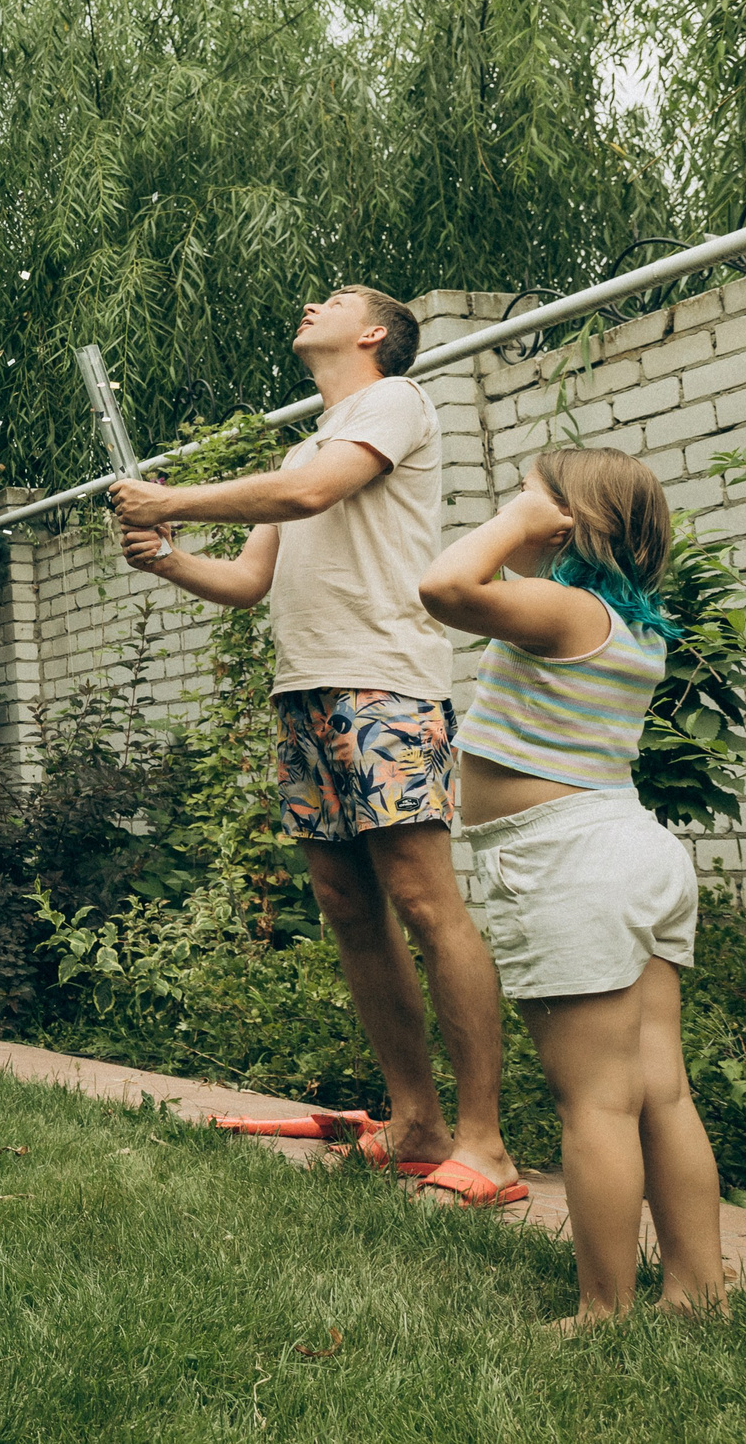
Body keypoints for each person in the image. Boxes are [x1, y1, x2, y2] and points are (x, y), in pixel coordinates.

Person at [112, 285, 521, 1205]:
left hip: (386, 683)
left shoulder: (394, 402)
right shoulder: (307, 442)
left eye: (333, 299)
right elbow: (251, 580)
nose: (305, 302)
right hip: (306, 688)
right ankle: (415, 1121)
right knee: (346, 901)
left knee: (422, 895)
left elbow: (310, 493)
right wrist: (167, 554)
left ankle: (488, 1143)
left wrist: (170, 494)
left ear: (374, 333)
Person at [421, 450, 725, 1324]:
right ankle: (698, 1290)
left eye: (530, 494)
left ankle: (604, 1309)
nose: (514, 506)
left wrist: (516, 526)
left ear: (571, 524)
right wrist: (531, 519)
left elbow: (443, 586)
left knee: (594, 1096)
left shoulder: (561, 607)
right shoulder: (634, 626)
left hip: (567, 859)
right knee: (659, 1087)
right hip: (632, 850)